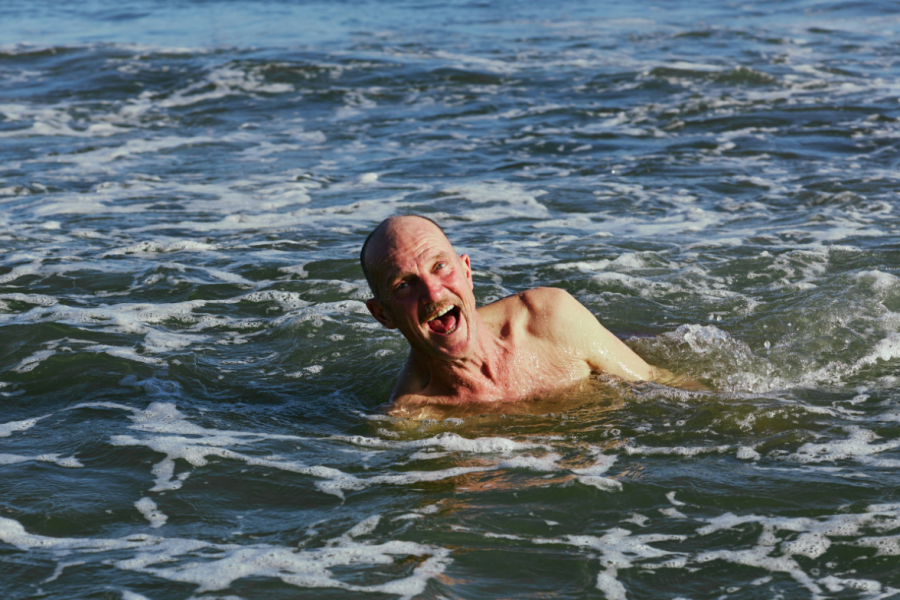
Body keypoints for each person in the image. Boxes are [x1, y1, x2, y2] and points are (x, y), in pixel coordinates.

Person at [361, 215, 690, 419]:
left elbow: (666, 385)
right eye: (404, 285)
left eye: (440, 266)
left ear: (466, 271)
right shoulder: (413, 416)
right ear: (382, 314)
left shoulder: (550, 319)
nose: (433, 293)